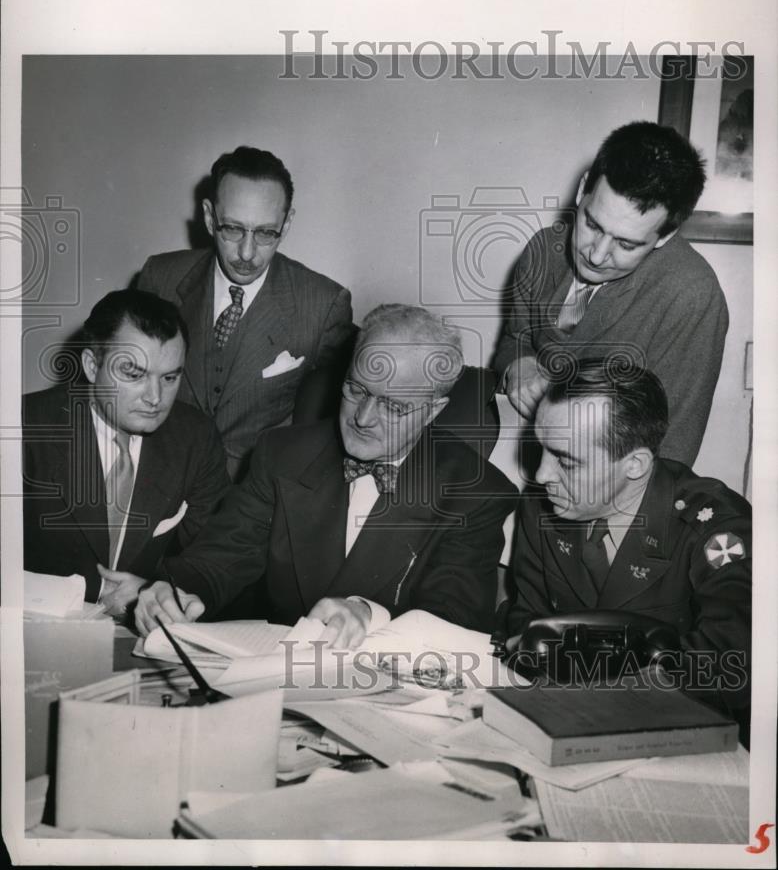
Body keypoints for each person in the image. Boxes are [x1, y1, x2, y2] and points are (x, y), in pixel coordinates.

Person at [135, 305, 518, 647]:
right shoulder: (282, 454)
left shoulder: (477, 492)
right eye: (356, 389)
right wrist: (177, 589)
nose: (363, 418)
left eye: (394, 406)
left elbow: (454, 619)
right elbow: (221, 557)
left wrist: (369, 614)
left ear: (433, 411)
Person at [505, 360, 751, 714]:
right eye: (540, 448)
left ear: (635, 464)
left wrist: (591, 695)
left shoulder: (715, 529)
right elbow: (526, 619)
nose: (542, 474)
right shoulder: (545, 505)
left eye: (567, 461)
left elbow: (732, 667)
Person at [493, 121, 728, 466]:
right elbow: (515, 338)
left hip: (608, 491)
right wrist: (520, 364)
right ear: (584, 188)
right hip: (526, 466)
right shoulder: (543, 250)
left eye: (626, 243)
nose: (597, 254)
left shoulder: (692, 295)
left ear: (665, 235)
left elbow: (673, 449)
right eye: (592, 224)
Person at [137, 146, 354, 480]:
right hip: (158, 476)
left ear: (287, 222)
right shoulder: (159, 277)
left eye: (266, 233)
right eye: (233, 229)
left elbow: (335, 421)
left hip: (253, 496)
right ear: (209, 217)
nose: (247, 253)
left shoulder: (324, 305)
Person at [23, 289, 231, 614]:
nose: (155, 397)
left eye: (170, 377)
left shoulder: (195, 437)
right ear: (92, 366)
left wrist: (157, 593)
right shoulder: (21, 427)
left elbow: (216, 554)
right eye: (134, 374)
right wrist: (97, 588)